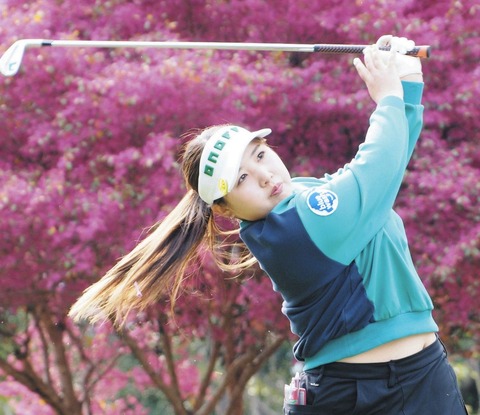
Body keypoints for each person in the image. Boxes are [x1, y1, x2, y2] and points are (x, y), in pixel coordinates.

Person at [69, 35, 467, 414]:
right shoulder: (296, 228)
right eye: (241, 178)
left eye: (259, 155)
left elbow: (389, 165)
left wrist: (407, 79)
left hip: (423, 377)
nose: (264, 175)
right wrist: (389, 97)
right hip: (351, 396)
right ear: (224, 208)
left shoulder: (306, 194)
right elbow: (377, 168)